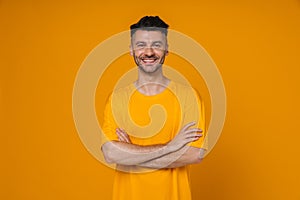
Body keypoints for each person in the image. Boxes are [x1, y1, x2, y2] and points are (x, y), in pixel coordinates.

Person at [101, 16, 207, 200]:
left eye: (156, 45)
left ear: (166, 50)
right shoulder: (117, 99)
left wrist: (131, 153)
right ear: (131, 50)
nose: (148, 52)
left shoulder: (188, 96)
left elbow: (194, 154)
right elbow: (111, 154)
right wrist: (171, 147)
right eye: (141, 45)